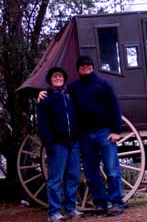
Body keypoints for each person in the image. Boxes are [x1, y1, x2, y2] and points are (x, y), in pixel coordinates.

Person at [39, 56, 124, 216]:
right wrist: (43, 92)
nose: (85, 67)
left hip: (104, 133)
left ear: (92, 67)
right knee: (91, 172)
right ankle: (100, 203)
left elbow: (115, 107)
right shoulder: (73, 88)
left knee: (112, 170)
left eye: (88, 65)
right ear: (78, 69)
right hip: (84, 136)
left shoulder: (104, 84)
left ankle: (117, 203)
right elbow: (57, 92)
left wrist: (116, 131)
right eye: (82, 66)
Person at [37, 67, 83, 222]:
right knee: (55, 179)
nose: (58, 78)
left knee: (74, 176)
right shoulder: (45, 99)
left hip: (74, 142)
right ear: (50, 80)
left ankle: (71, 209)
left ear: (64, 78)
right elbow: (42, 124)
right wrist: (48, 143)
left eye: (60, 76)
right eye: (55, 76)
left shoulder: (71, 96)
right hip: (57, 144)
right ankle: (54, 212)